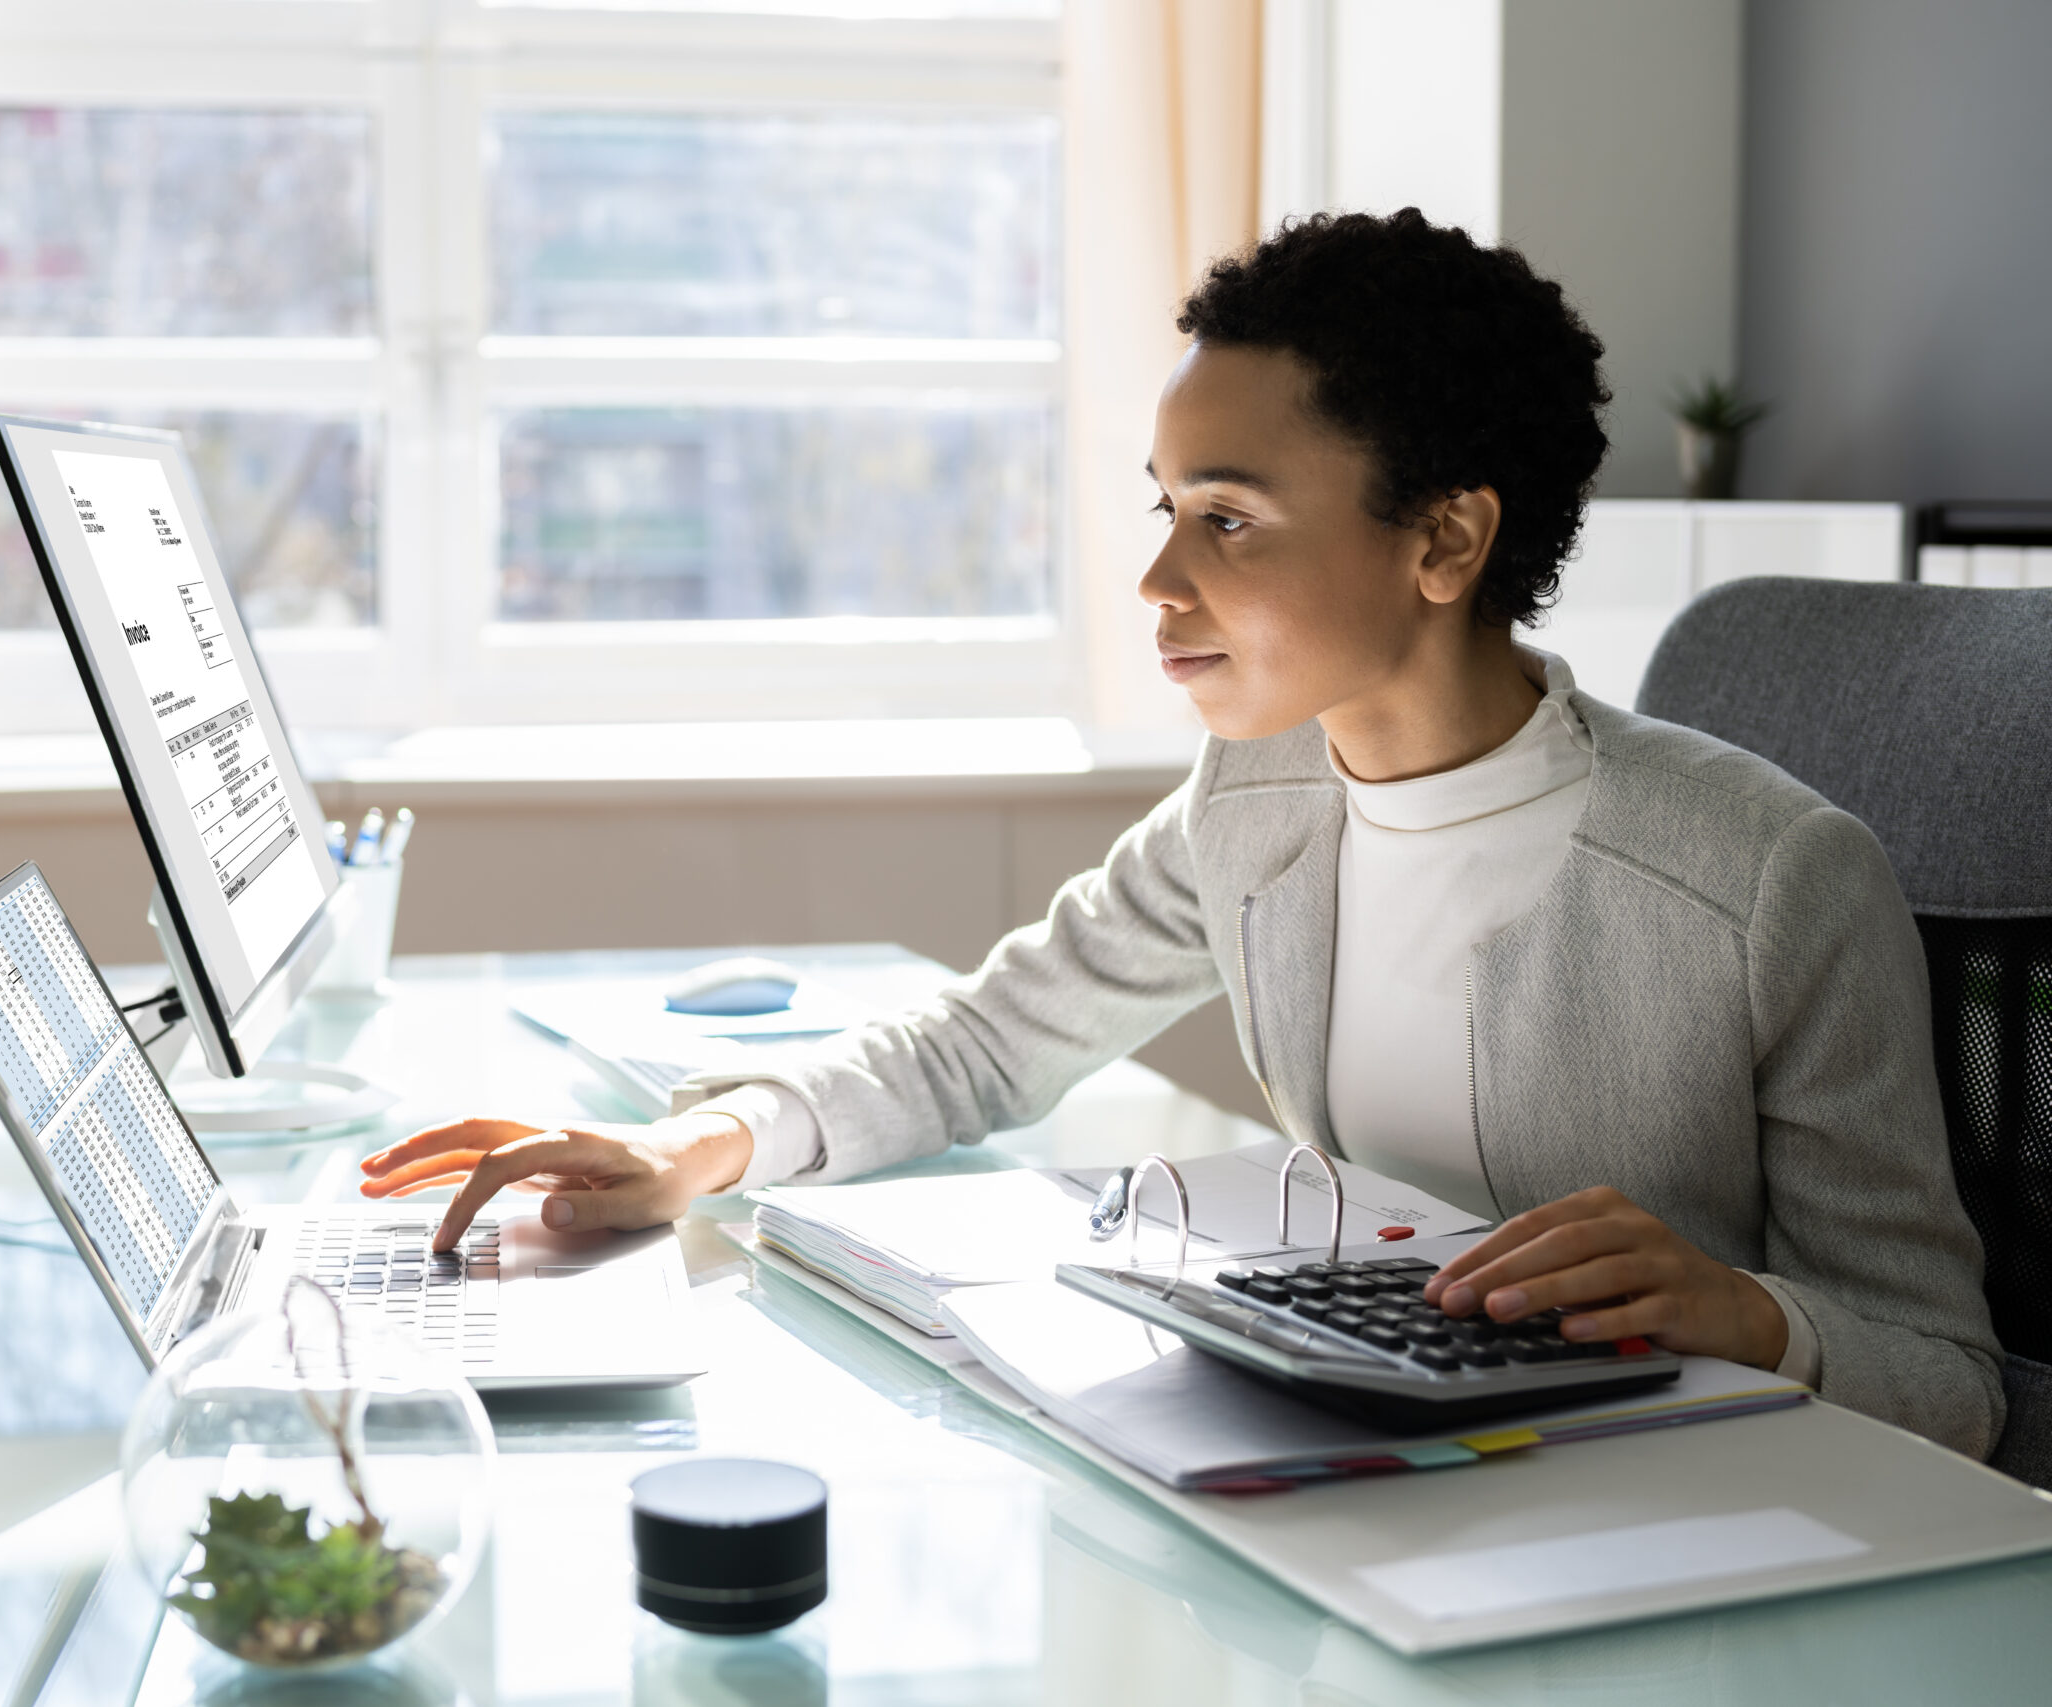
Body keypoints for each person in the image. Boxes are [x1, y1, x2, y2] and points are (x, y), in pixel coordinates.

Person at [360, 209, 2003, 1457]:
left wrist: (1749, 1315)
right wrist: (693, 1148)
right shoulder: (1259, 796)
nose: (1159, 584)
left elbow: (1957, 1382)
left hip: (1679, 1520)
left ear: (1444, 539)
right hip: (1373, 1460)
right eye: (1167, 511)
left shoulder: (1775, 881)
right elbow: (989, 1043)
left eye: (1229, 520)